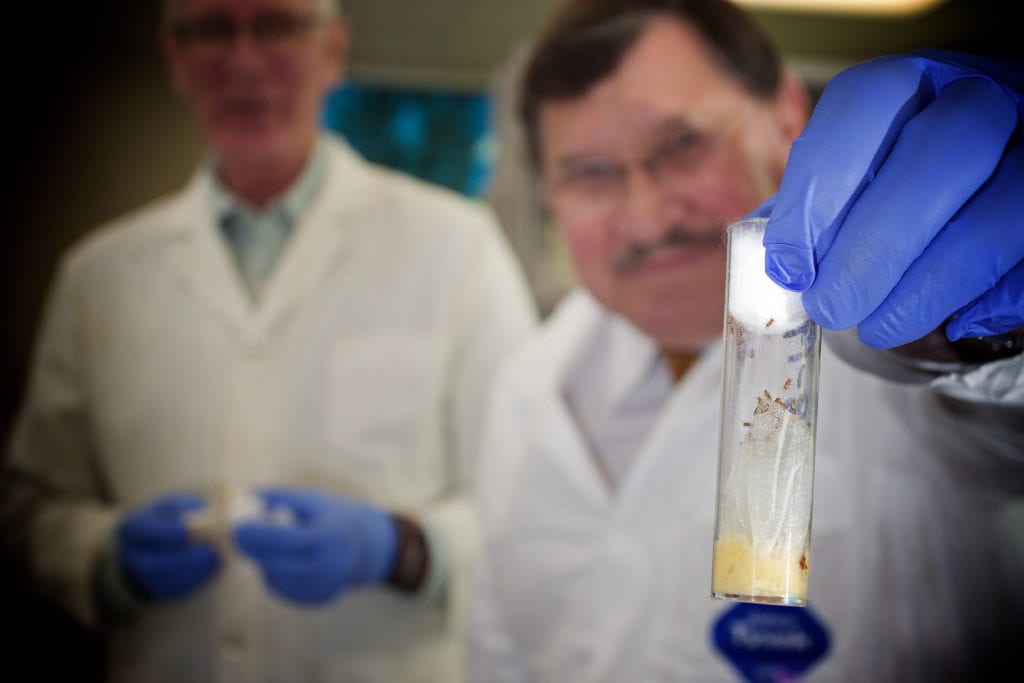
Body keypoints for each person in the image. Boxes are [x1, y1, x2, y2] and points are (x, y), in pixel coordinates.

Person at [467, 0, 1024, 681]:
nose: (647, 219)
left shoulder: (891, 358)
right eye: (590, 173)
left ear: (788, 115)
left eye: (682, 145)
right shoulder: (526, 384)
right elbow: (500, 651)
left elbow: (997, 422)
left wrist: (981, 334)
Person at [0, 0, 537, 681]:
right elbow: (28, 503)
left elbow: (534, 501)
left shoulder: (456, 248)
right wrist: (100, 557)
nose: (244, 60)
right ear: (175, 57)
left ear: (333, 50)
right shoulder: (98, 275)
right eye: (214, 29)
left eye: (277, 25)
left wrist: (403, 549)